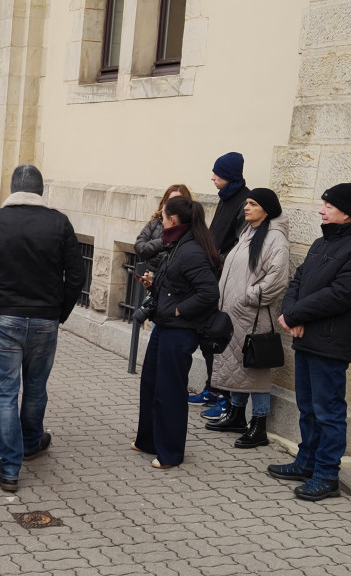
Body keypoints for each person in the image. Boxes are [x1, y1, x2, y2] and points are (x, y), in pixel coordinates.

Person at [0, 164, 85, 492]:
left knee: (4, 391)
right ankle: (31, 442)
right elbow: (76, 274)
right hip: (45, 317)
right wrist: (61, 312)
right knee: (35, 385)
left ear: (13, 189)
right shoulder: (58, 222)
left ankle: (9, 468)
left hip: (7, 316)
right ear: (40, 191)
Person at [269, 183, 351, 501]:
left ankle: (326, 475)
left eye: (328, 206)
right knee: (307, 408)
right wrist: (290, 312)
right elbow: (299, 279)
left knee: (328, 411)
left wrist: (295, 316)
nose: (321, 210)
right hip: (306, 338)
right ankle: (306, 462)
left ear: (346, 211)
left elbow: (340, 295)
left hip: (331, 344)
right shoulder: (322, 242)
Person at [132, 196, 220, 469]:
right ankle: (148, 441)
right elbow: (176, 282)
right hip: (166, 325)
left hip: (179, 330)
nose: (161, 221)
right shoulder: (178, 245)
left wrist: (180, 310)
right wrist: (153, 284)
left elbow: (209, 292)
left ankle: (170, 453)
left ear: (172, 220)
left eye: (164, 217)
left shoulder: (191, 250)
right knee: (150, 384)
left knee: (169, 391)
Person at [204, 188, 290, 448]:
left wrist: (249, 297)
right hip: (233, 315)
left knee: (256, 372)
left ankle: (259, 425)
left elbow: (277, 279)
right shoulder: (248, 232)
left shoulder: (275, 239)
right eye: (247, 203)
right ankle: (236, 415)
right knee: (237, 369)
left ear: (267, 209)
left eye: (253, 203)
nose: (247, 207)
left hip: (252, 316)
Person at [194, 152, 251, 418]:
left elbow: (241, 246)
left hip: (225, 279)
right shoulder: (226, 198)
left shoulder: (243, 202)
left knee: (220, 338)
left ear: (229, 175)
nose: (213, 177)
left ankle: (224, 396)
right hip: (211, 273)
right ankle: (212, 387)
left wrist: (218, 261)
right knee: (207, 337)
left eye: (217, 173)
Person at [134, 184, 193, 278]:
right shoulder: (154, 224)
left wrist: (152, 256)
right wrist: (163, 241)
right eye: (170, 201)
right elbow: (140, 247)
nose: (173, 205)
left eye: (177, 201)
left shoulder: (190, 228)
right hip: (154, 275)